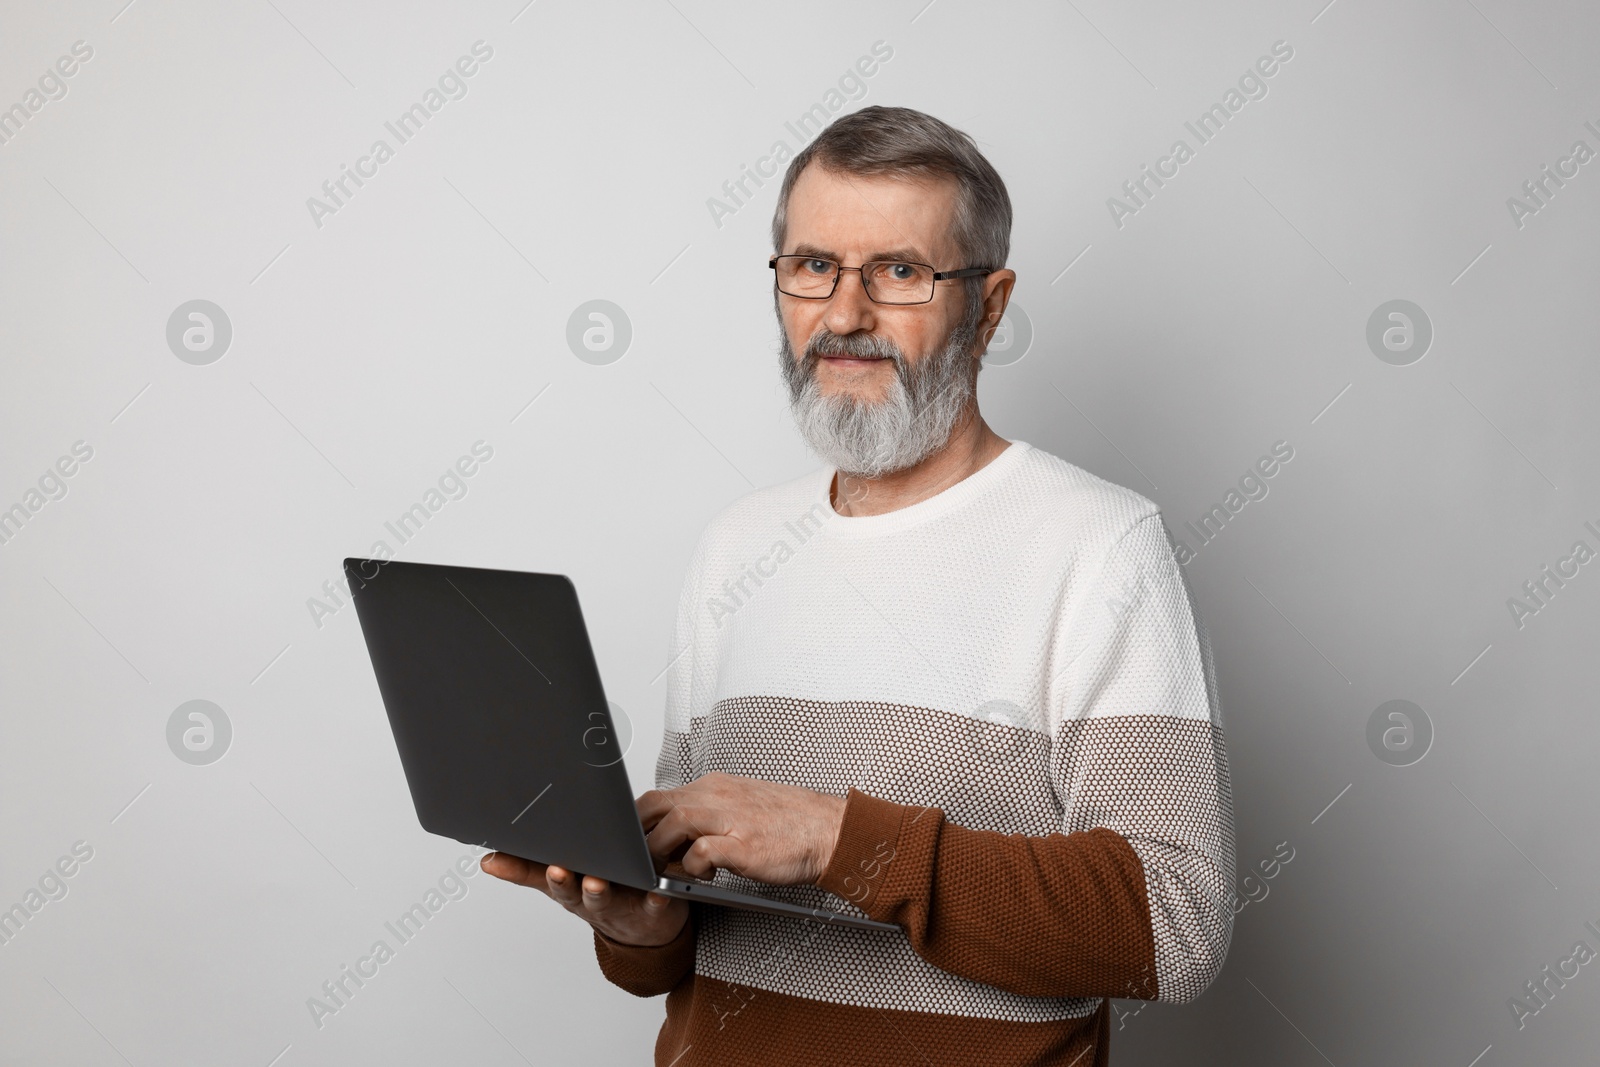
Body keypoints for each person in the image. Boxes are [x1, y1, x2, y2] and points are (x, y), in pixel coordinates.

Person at [483, 105, 1235, 1066]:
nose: (843, 316)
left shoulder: (1101, 545)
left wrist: (838, 839)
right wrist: (639, 926)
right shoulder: (734, 547)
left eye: (900, 272)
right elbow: (685, 957)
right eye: (812, 267)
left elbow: (1175, 923)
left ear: (990, 304)